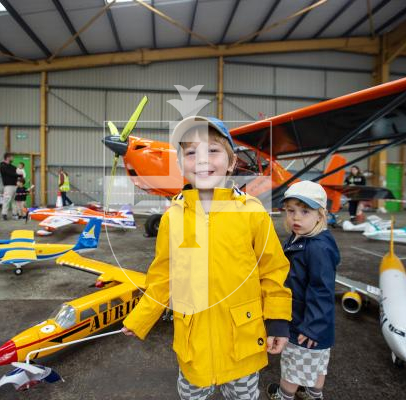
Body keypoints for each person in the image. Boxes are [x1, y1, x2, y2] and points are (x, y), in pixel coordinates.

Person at [122, 116, 292, 399]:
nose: (202, 159)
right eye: (191, 152)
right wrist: (141, 318)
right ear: (180, 165)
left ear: (232, 161)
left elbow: (273, 270)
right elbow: (163, 276)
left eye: (213, 150)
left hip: (243, 343)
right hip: (194, 347)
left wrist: (277, 321)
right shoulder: (172, 218)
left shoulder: (253, 212)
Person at [266, 181, 340, 400]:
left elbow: (321, 290)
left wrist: (311, 328)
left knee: (293, 366)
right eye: (291, 211)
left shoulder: (317, 247)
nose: (296, 218)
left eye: (304, 211)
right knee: (317, 364)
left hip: (305, 324)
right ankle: (314, 394)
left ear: (320, 215)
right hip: (317, 325)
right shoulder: (301, 237)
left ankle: (284, 395)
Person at [0, 153, 19, 220]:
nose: (13, 158)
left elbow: (17, 173)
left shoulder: (13, 167)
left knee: (15, 201)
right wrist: (18, 175)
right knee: (6, 200)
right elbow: (10, 174)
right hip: (8, 186)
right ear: (8, 158)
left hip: (15, 185)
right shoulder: (2, 166)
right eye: (12, 157)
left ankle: (15, 214)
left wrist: (18, 174)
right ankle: (4, 214)